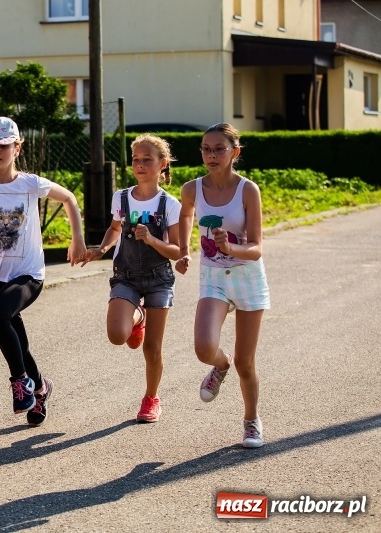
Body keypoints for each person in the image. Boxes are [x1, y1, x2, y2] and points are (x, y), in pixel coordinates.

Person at [0, 116, 86, 427]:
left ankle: (20, 382)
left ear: (17, 148)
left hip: (28, 274)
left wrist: (77, 238)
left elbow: (69, 198)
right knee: (17, 341)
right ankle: (40, 388)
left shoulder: (30, 183)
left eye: (3, 146)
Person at [175, 123, 270, 448]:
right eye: (206, 149)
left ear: (235, 152)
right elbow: (185, 215)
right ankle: (220, 365)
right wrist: (184, 249)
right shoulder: (192, 189)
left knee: (246, 362)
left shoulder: (248, 190)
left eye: (219, 149)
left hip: (247, 278)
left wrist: (230, 247)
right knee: (204, 347)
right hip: (213, 278)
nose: (211, 155)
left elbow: (256, 248)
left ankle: (251, 421)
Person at [80, 134, 181, 423]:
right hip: (125, 275)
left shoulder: (170, 204)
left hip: (159, 278)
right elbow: (114, 229)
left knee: (152, 348)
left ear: (162, 164)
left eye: (147, 159)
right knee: (117, 335)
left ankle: (151, 398)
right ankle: (139, 316)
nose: (139, 165)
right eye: (136, 159)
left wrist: (152, 239)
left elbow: (176, 250)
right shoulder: (121, 197)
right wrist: (101, 249)